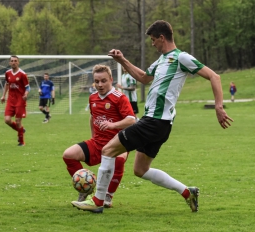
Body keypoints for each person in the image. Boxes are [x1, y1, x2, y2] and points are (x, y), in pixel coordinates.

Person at [71, 20, 234, 214]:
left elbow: (214, 76)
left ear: (162, 38)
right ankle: (187, 192)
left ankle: (98, 201)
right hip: (160, 124)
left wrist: (218, 106)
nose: (152, 44)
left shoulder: (181, 57)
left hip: (154, 121)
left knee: (107, 150)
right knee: (140, 169)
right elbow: (144, 78)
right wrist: (122, 60)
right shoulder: (161, 60)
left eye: (153, 40)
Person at [63, 64, 136, 208]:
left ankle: (107, 197)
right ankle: (85, 188)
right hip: (97, 142)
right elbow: (92, 117)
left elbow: (131, 120)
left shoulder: (119, 98)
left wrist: (112, 125)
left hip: (117, 144)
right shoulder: (93, 98)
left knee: (119, 161)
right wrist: (93, 136)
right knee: (68, 155)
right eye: (96, 81)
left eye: (103, 81)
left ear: (111, 79)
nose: (100, 84)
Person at [0, 55, 30, 146]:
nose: (13, 62)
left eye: (15, 61)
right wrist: (3, 95)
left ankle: (21, 142)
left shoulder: (22, 74)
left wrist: (25, 94)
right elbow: (7, 84)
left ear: (18, 62)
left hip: (20, 100)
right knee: (7, 120)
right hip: (11, 100)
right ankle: (21, 130)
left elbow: (28, 87)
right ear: (9, 62)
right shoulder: (7, 73)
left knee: (18, 121)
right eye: (12, 61)